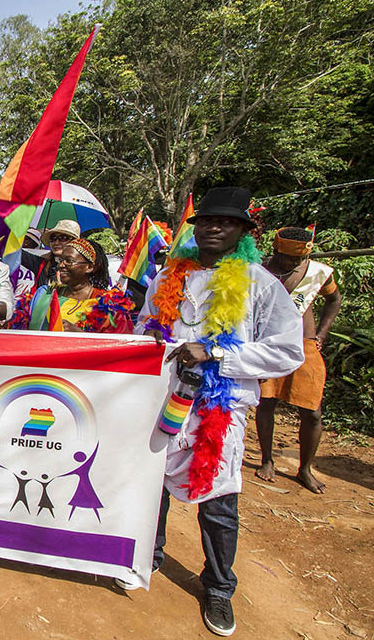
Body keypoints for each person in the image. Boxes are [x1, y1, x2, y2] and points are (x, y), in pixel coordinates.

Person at [121, 187, 303, 637]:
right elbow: (147, 327)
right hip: (163, 401)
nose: (213, 227)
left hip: (220, 409)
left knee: (219, 501)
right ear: (194, 228)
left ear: (242, 231)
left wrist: (216, 353)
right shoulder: (168, 277)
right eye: (206, 221)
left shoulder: (261, 283)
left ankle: (219, 587)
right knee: (151, 485)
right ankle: (149, 554)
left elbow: (287, 350)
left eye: (225, 222)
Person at [256, 227, 342, 494]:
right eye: (289, 259)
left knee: (312, 411)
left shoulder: (317, 272)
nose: (295, 264)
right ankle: (267, 459)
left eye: (300, 260)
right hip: (267, 342)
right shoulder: (260, 269)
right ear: (275, 251)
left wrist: (322, 334)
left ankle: (305, 468)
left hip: (304, 344)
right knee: (265, 402)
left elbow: (334, 300)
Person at [52, 238, 134, 333]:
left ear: (90, 267)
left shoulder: (110, 306)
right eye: (60, 260)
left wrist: (81, 335)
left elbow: (120, 343)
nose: (61, 265)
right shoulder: (50, 294)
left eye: (69, 261)